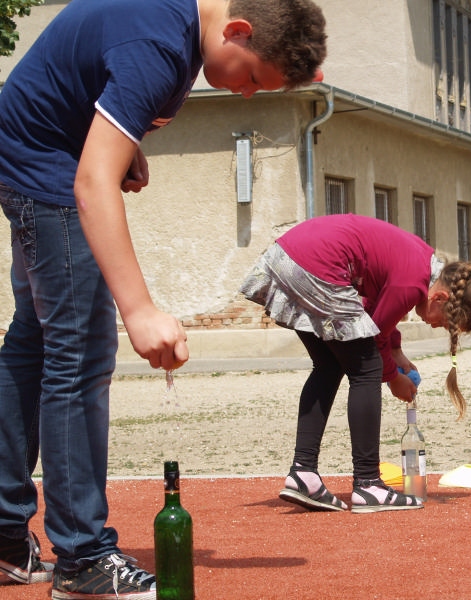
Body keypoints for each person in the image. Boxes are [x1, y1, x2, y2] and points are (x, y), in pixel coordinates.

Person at [0, 0, 325, 597]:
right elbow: (92, 183)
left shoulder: (177, 25)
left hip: (37, 148)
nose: (247, 94)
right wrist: (140, 311)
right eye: (254, 77)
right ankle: (82, 558)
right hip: (45, 167)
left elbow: (91, 80)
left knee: (35, 340)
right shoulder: (158, 45)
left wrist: (124, 142)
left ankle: (2, 537)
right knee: (78, 350)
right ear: (238, 31)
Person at [240, 214, 471, 513]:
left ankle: (303, 473)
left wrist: (396, 351)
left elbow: (374, 311)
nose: (438, 327)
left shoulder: (420, 264)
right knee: (368, 370)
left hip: (290, 256)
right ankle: (368, 483)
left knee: (329, 365)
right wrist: (393, 377)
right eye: (446, 323)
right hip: (317, 265)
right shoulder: (412, 282)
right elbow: (374, 336)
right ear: (439, 297)